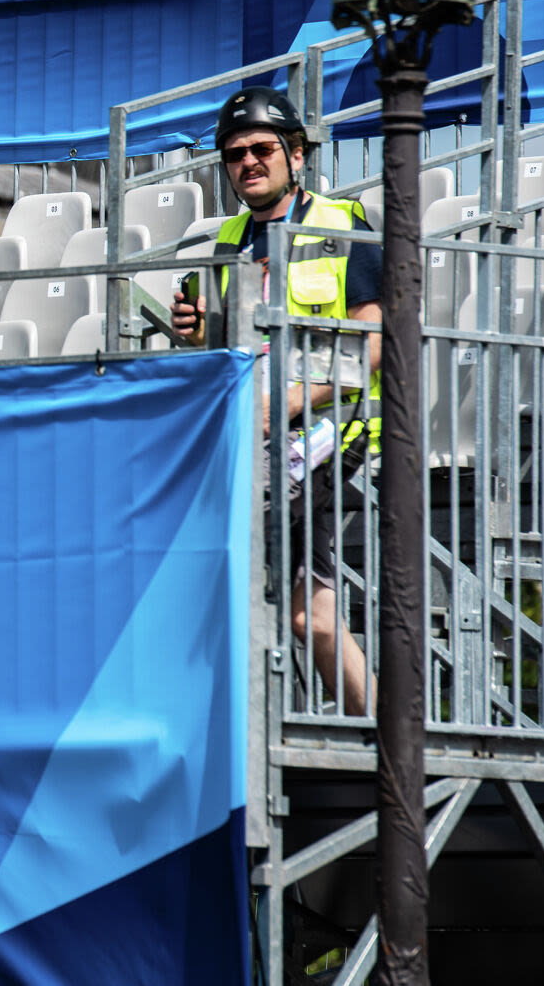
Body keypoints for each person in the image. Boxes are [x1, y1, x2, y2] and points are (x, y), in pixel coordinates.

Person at [171, 88, 383, 717]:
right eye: (234, 155)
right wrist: (194, 333)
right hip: (255, 430)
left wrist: (289, 402)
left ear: (296, 153)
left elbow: (375, 340)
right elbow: (220, 348)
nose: (249, 163)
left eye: (263, 148)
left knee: (216, 548)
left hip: (329, 425)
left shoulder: (342, 224)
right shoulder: (227, 241)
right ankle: (384, 742)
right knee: (310, 614)